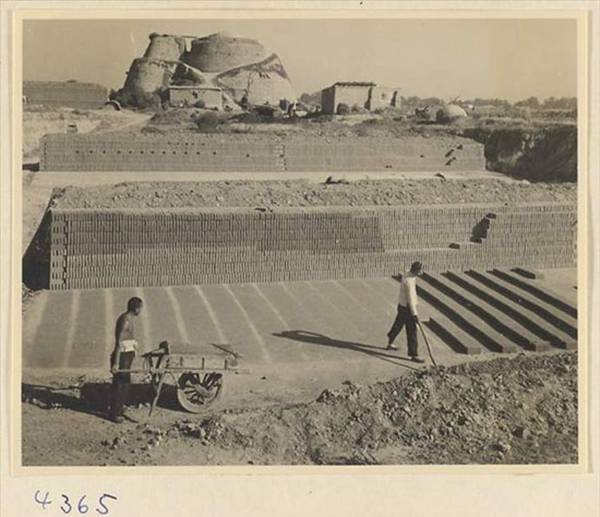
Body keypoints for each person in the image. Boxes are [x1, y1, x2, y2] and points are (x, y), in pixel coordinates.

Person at [109, 297, 143, 423]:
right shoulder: (125, 321)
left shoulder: (129, 319)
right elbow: (119, 343)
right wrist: (116, 363)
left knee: (125, 384)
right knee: (120, 384)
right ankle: (115, 414)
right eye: (140, 308)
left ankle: (118, 409)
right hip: (122, 356)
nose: (141, 311)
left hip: (127, 355)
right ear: (136, 308)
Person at [386, 261, 425, 363]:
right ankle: (414, 354)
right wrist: (415, 314)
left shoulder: (407, 274)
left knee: (398, 324)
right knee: (412, 331)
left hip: (401, 305)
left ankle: (390, 340)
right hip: (407, 308)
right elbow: (410, 300)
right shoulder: (409, 282)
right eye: (419, 271)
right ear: (416, 271)